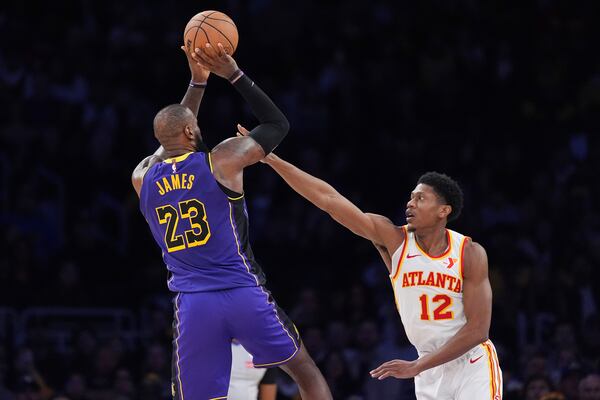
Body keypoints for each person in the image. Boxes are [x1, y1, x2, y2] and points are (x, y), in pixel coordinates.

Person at [237, 125, 502, 399]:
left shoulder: (469, 252)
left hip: (470, 364)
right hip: (427, 366)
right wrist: (272, 160)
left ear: (443, 211)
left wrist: (417, 366)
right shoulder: (394, 239)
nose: (410, 204)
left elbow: (478, 330)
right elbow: (329, 199)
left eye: (420, 198)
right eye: (410, 197)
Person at [131, 44, 332, 400]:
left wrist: (197, 84)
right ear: (193, 132)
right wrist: (234, 75)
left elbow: (172, 134)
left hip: (193, 304)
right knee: (304, 371)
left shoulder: (142, 177)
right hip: (242, 291)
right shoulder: (221, 160)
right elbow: (277, 124)